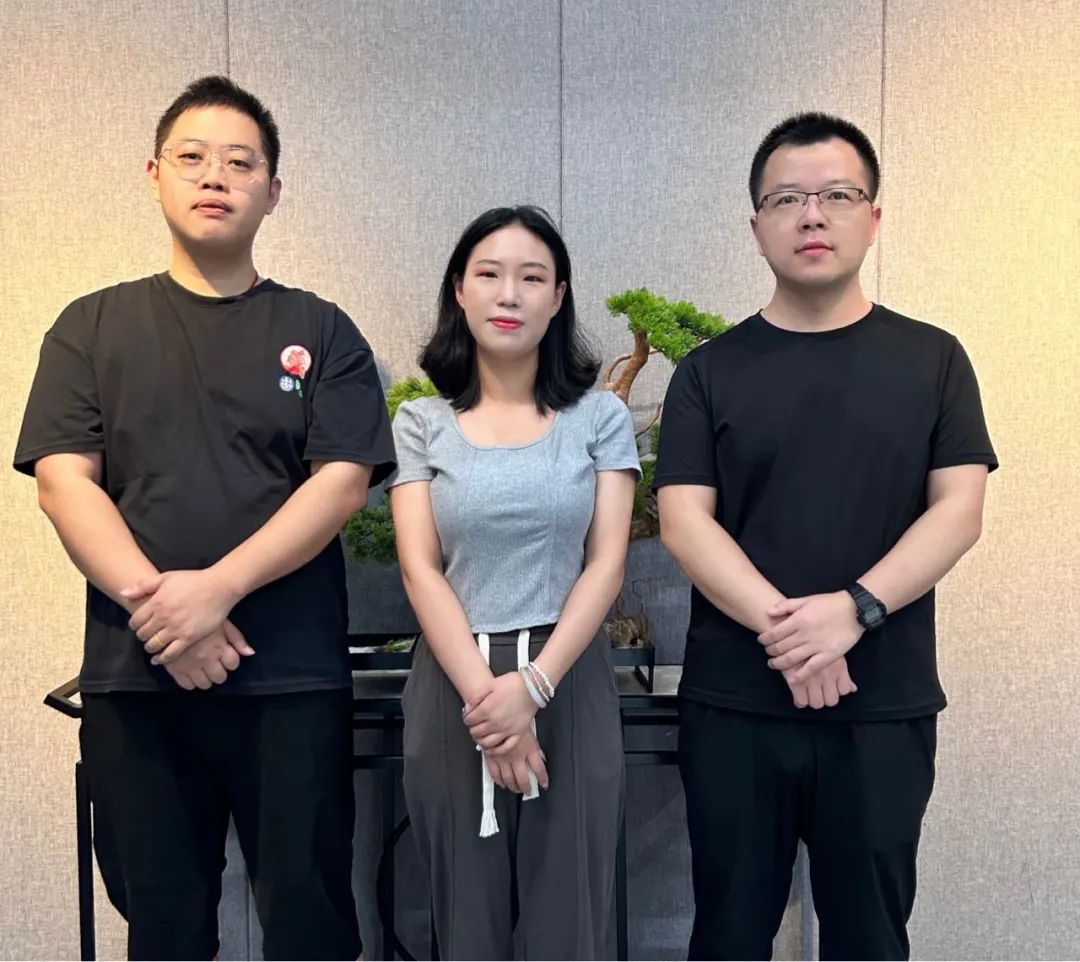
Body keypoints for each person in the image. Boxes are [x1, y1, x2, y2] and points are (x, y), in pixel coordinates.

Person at [13, 76, 395, 960]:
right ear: (154, 175)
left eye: (239, 162)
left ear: (273, 190)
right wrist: (164, 614)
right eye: (191, 157)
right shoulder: (89, 326)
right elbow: (64, 483)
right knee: (164, 925)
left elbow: (341, 484)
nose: (214, 176)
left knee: (309, 921)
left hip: (291, 678)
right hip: (137, 676)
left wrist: (214, 592)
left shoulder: (323, 330)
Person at [655, 112, 997, 961]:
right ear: (757, 226)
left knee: (871, 938)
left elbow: (959, 508)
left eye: (837, 196)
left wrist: (853, 612)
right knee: (728, 936)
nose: (813, 215)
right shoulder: (707, 371)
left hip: (882, 704)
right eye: (788, 199)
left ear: (873, 217)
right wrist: (794, 633)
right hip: (737, 704)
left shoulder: (934, 360)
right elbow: (684, 520)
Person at [387, 205, 640, 959]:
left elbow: (606, 563)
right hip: (454, 684)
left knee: (571, 920)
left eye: (532, 278)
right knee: (467, 920)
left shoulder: (599, 417)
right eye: (489, 274)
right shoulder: (420, 422)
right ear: (459, 290)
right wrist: (489, 704)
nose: (508, 294)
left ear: (558, 297)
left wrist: (531, 688)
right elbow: (419, 568)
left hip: (570, 677)